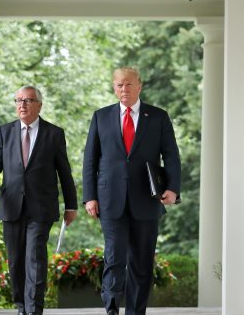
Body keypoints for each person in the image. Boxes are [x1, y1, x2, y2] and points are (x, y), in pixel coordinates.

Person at [83, 67, 181, 315]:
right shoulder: (101, 117)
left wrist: (172, 188)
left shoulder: (158, 117)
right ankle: (112, 309)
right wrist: (90, 197)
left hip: (147, 200)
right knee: (114, 258)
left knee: (141, 263)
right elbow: (90, 160)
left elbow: (171, 155)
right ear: (113, 88)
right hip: (110, 200)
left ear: (139, 86)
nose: (123, 89)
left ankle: (136, 312)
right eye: (118, 85)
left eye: (128, 84)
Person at [0, 85, 77, 315]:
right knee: (15, 261)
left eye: (28, 100)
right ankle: (22, 306)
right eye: (19, 100)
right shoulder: (4, 132)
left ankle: (34, 309)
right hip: (11, 206)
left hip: (41, 208)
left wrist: (71, 205)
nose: (22, 105)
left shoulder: (54, 134)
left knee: (35, 256)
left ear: (39, 105)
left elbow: (64, 172)